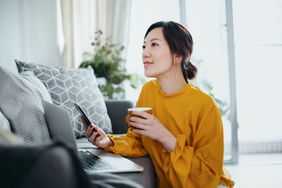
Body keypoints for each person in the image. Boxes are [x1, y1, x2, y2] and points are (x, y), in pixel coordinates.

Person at [83, 21, 234, 188]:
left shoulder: (205, 106)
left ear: (178, 54)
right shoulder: (149, 91)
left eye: (154, 45)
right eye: (143, 46)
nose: (145, 53)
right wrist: (108, 141)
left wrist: (163, 135)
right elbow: (137, 141)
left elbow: (207, 176)